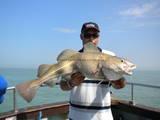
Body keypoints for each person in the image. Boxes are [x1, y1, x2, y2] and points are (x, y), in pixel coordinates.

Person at [60, 22, 126, 120]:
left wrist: (115, 79)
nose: (91, 38)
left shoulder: (109, 56)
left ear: (99, 37)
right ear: (81, 36)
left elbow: (120, 85)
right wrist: (71, 83)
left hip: (103, 117)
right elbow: (62, 86)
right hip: (76, 117)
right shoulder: (72, 58)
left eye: (95, 35)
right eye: (87, 35)